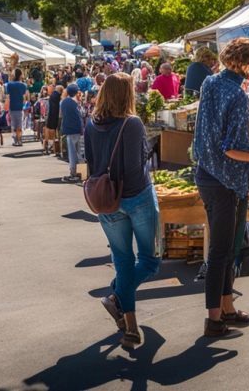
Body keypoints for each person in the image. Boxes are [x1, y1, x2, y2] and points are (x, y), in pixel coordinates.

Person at [194, 37, 249, 338]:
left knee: (226, 249)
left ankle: (227, 308)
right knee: (221, 251)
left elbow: (212, 135)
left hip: (206, 174)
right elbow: (230, 148)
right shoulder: (239, 96)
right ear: (247, 62)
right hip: (227, 180)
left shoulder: (210, 84)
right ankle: (214, 320)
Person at [86, 73, 158, 349]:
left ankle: (129, 323)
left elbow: (90, 163)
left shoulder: (92, 124)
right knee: (149, 261)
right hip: (136, 197)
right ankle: (116, 297)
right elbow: (134, 166)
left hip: (106, 200)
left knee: (123, 261)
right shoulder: (132, 123)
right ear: (127, 94)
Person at [58, 83, 84, 182]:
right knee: (78, 152)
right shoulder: (76, 103)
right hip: (77, 130)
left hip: (70, 130)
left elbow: (62, 115)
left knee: (72, 153)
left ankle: (74, 173)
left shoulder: (64, 102)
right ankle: (80, 172)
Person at [5, 68, 28, 147]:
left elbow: (8, 97)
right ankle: (19, 139)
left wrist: (6, 106)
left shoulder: (9, 85)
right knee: (20, 124)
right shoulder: (23, 85)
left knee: (13, 124)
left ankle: (15, 140)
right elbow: (25, 98)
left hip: (12, 106)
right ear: (20, 75)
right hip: (20, 106)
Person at [45, 85, 63, 156]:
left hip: (51, 116)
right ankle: (52, 147)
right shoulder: (57, 95)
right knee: (54, 131)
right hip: (55, 116)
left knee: (50, 130)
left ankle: (50, 146)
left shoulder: (52, 95)